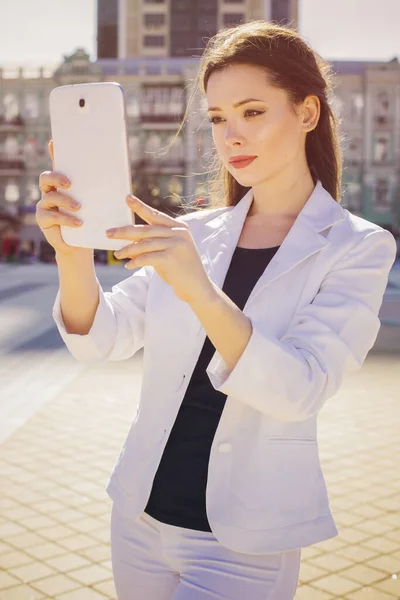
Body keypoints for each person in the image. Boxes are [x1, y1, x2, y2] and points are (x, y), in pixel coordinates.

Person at [36, 21, 396, 600]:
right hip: (140, 518)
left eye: (252, 112)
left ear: (307, 113)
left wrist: (200, 291)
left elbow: (300, 387)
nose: (231, 137)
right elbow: (99, 337)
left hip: (245, 541)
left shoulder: (357, 246)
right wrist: (69, 251)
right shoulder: (192, 233)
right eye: (219, 118)